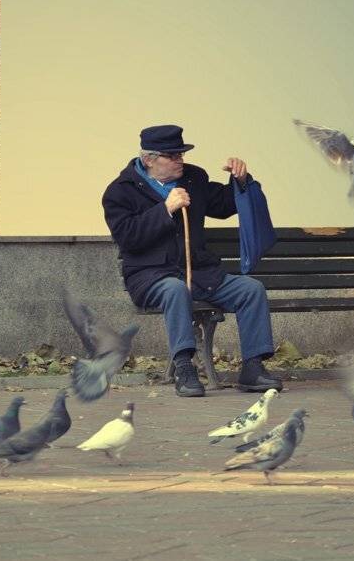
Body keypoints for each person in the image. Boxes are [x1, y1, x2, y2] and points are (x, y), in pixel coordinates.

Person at [102, 124, 283, 397]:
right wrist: (165, 209)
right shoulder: (120, 191)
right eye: (172, 155)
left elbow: (224, 205)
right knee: (175, 289)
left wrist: (241, 180)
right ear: (149, 159)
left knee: (251, 289)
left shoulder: (193, 178)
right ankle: (184, 367)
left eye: (181, 154)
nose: (180, 160)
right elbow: (128, 238)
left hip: (199, 273)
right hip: (150, 275)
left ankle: (253, 367)